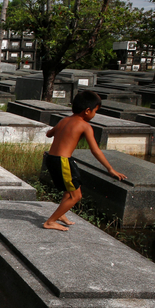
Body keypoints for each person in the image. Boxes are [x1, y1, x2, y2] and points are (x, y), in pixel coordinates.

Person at [42, 89, 126, 231]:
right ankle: (50, 221)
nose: (95, 114)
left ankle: (61, 214)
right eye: (95, 111)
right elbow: (95, 150)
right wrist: (110, 169)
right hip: (63, 161)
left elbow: (49, 134)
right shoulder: (85, 126)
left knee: (70, 189)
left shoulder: (64, 120)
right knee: (76, 196)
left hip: (51, 158)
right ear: (87, 111)